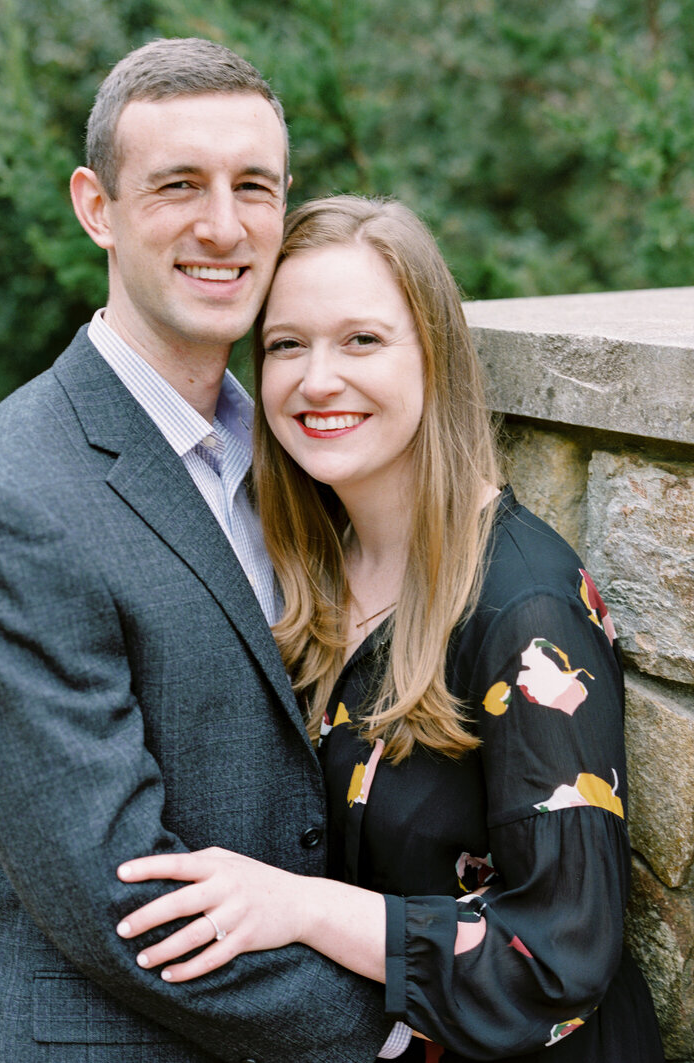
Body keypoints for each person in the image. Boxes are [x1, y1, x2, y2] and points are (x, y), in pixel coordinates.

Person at [0, 45, 401, 1063]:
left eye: (251, 187)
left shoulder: (296, 450)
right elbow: (116, 893)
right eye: (178, 185)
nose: (223, 225)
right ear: (96, 207)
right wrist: (393, 1023)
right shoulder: (5, 502)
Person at [112, 196, 666, 1062]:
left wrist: (302, 905)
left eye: (362, 340)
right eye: (287, 344)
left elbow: (557, 955)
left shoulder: (525, 612)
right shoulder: (311, 570)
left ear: (435, 357)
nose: (317, 379)